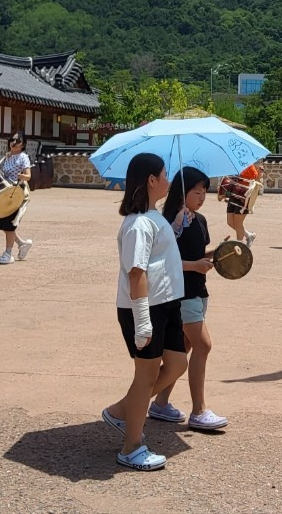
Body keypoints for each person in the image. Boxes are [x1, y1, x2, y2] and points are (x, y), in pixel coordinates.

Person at [101, 153, 189, 471]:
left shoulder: (154, 217)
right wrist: (142, 321)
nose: (168, 180)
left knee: (177, 363)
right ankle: (131, 446)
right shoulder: (137, 224)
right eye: (164, 174)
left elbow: (159, 255)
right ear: (151, 180)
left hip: (166, 304)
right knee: (146, 376)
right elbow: (136, 272)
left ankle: (122, 411)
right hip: (145, 307)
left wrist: (177, 224)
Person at [150, 167, 229, 431]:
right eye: (196, 192)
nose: (202, 196)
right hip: (181, 294)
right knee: (203, 345)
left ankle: (160, 403)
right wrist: (195, 266)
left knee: (182, 349)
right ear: (181, 193)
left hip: (198, 290)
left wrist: (219, 252)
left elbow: (198, 254)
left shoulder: (200, 220)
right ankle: (199, 410)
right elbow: (163, 260)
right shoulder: (169, 222)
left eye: (205, 191)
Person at [0, 133, 35, 264]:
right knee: (4, 222)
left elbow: (28, 176)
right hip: (5, 191)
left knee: (9, 223)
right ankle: (22, 244)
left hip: (16, 192)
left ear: (23, 144)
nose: (14, 142)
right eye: (12, 140)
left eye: (18, 140)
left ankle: (8, 253)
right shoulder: (7, 156)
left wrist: (21, 176)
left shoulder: (23, 157)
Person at [225, 162, 261, 247]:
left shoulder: (249, 166)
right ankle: (249, 235)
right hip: (233, 194)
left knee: (238, 224)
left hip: (243, 197)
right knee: (230, 222)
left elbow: (256, 181)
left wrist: (260, 173)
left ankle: (240, 246)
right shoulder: (234, 164)